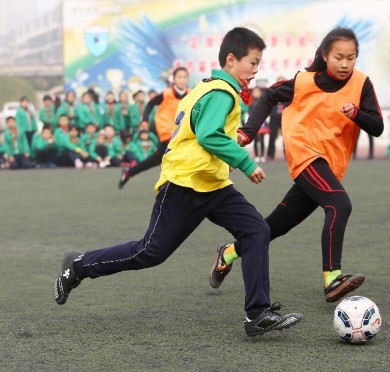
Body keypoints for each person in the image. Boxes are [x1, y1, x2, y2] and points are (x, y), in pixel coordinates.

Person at [53, 27, 302, 337]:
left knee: (256, 229)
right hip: (184, 184)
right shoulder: (221, 93)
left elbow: (205, 130)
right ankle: (77, 265)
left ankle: (257, 314)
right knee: (149, 253)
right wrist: (245, 161)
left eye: (258, 63)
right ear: (231, 59)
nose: (256, 70)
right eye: (253, 63)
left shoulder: (209, 87)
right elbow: (208, 135)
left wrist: (231, 139)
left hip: (213, 184)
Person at [209, 27, 384, 302]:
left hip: (330, 166)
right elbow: (268, 96)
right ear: (325, 55)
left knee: (275, 226)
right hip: (305, 155)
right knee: (340, 204)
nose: (345, 63)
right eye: (339, 56)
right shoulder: (303, 81)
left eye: (351, 57)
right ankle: (332, 279)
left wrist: (357, 113)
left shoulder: (362, 84)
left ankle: (228, 253)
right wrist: (248, 132)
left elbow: (377, 127)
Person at [118, 67, 191, 189]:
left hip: (181, 131)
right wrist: (145, 120)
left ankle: (129, 172)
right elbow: (150, 104)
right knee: (177, 155)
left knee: (156, 159)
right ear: (174, 79)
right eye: (179, 77)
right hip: (166, 130)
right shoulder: (166, 93)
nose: (182, 80)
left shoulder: (191, 93)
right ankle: (173, 186)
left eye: (185, 77)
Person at [266, 76, 286, 160]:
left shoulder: (288, 92)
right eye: (279, 81)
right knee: (272, 136)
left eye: (282, 81)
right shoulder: (273, 92)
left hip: (285, 118)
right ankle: (270, 155)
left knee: (286, 137)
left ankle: (288, 154)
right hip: (274, 117)